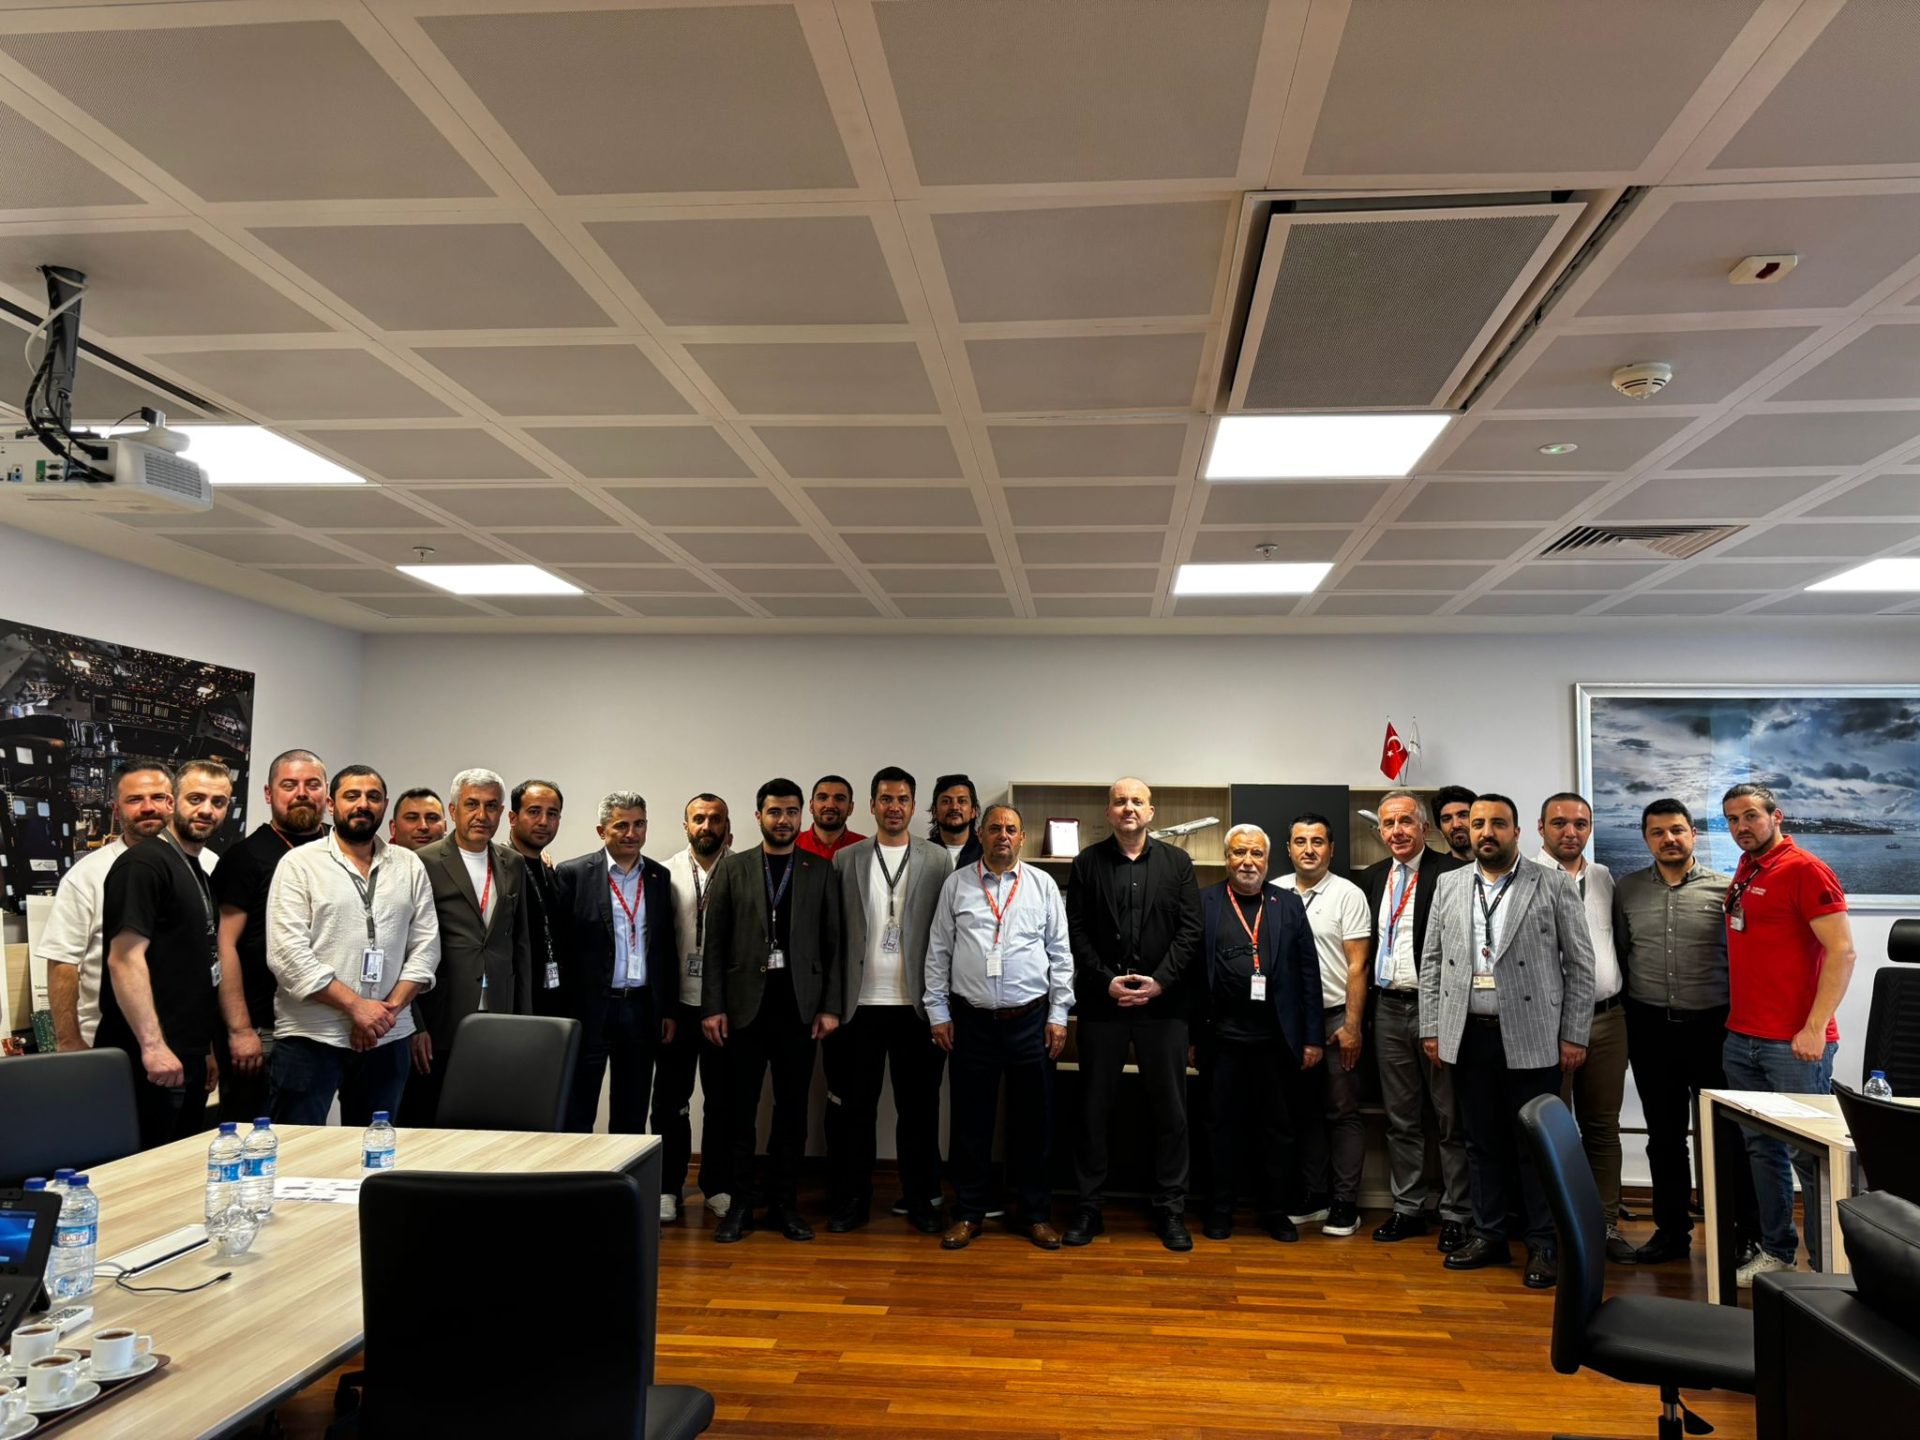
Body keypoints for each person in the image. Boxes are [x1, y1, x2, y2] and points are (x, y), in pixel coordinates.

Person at [1420, 794, 1594, 1290]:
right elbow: (1432, 960)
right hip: (1468, 1034)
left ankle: (1543, 1243)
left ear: (1517, 831)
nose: (1486, 832)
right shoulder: (1450, 884)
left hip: (1534, 1035)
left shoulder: (1553, 883)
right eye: (1478, 823)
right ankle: (1489, 1233)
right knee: (1480, 1142)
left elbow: (1581, 964)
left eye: (1498, 823)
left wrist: (1573, 1033)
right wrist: (1431, 1027)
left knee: (1534, 1145)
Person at [1718, 782, 1856, 1287]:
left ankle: (1826, 1270)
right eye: (1732, 820)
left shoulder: (1805, 869)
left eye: (1751, 816)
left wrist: (1815, 1027)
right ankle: (1777, 1252)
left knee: (1809, 1157)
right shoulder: (1748, 867)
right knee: (1761, 1149)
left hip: (1794, 1044)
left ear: (1776, 816)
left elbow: (1842, 951)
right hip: (1742, 1038)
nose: (1741, 827)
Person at [1064, 777, 1202, 1251]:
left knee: (1171, 1111)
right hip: (1103, 1004)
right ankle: (1088, 1207)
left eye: (1137, 801)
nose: (1129, 808)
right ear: (1108, 812)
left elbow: (1190, 930)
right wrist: (1105, 979)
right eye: (1120, 801)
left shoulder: (1178, 863)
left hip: (1164, 1007)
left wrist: (1160, 980)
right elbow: (1075, 930)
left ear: (1151, 812)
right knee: (1093, 1109)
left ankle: (1171, 1209)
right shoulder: (1086, 863)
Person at [1614, 798, 1754, 1266]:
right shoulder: (1627, 890)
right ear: (1646, 839)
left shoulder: (1725, 889)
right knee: (1664, 1137)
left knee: (1726, 1137)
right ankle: (1671, 1233)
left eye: (1677, 829)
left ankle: (1740, 1235)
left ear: (1693, 834)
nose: (1668, 839)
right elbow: (1622, 953)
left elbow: (1744, 958)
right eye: (1657, 832)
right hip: (1652, 1030)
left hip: (1715, 1029)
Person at [925, 804, 1072, 1251]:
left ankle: (1035, 1214)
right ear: (981, 835)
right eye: (994, 828)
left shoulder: (1042, 885)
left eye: (1011, 829)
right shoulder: (957, 884)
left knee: (1034, 1122)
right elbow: (938, 951)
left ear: (1022, 837)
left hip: (1030, 1020)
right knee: (971, 1122)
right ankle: (968, 1212)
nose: (1002, 835)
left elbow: (1060, 954)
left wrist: (1058, 1015)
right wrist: (938, 1012)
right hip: (971, 1021)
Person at [702, 779, 841, 1243]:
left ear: (802, 816)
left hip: (800, 1011)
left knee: (792, 1111)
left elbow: (833, 944)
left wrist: (829, 1007)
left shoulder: (821, 870)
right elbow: (714, 943)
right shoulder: (733, 867)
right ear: (758, 815)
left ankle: (785, 1203)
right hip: (743, 1010)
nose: (783, 820)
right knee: (739, 1112)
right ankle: (740, 1206)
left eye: (791, 812)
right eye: (775, 812)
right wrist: (712, 1006)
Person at [264, 765, 440, 1126]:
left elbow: (426, 948)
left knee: (376, 1146)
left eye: (373, 797)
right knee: (299, 1146)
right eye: (352, 796)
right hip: (312, 1036)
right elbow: (288, 957)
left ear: (384, 805)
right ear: (331, 804)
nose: (363, 804)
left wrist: (383, 1013)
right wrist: (357, 1007)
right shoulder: (299, 864)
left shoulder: (409, 865)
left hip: (389, 1035)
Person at [825, 767, 953, 1234]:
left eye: (902, 799)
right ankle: (853, 1201)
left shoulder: (938, 860)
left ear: (914, 807)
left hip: (916, 1008)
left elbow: (947, 936)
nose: (894, 807)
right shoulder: (847, 859)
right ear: (872, 806)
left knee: (918, 1112)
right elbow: (834, 937)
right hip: (858, 1006)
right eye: (885, 799)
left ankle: (920, 1201)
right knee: (855, 1112)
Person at [97, 762, 240, 1150]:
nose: (206, 810)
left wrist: (204, 1048)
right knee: (145, 1169)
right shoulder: (143, 864)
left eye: (218, 802)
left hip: (187, 1053)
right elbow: (124, 959)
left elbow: (194, 962)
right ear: (173, 802)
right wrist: (153, 1046)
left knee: (181, 1165)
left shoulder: (196, 869)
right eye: (196, 798)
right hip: (149, 1057)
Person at [1195, 825, 1320, 1243]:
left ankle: (1275, 1212)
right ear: (1226, 858)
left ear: (1268, 860)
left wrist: (1312, 1038)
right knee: (1219, 1128)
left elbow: (1308, 973)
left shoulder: (1288, 904)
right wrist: (1192, 1038)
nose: (1247, 861)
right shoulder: (1204, 902)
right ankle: (1219, 1210)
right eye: (1239, 853)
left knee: (1278, 1129)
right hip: (1221, 1041)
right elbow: (1192, 977)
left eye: (1256, 854)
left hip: (1276, 1042)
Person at [1359, 790, 1469, 1249]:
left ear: (1424, 827)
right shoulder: (1371, 878)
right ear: (1380, 831)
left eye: (1406, 821)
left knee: (1449, 1117)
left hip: (1436, 1006)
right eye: (1388, 823)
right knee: (1401, 1118)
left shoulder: (1452, 873)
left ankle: (1457, 1212)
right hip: (1387, 1007)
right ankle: (1408, 1208)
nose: (1397, 831)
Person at [1531, 791, 1632, 1263]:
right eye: (1559, 823)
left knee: (1602, 1127)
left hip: (1606, 1019)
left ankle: (1604, 1225)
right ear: (1540, 828)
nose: (1570, 832)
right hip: (1546, 1025)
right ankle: (1552, 1230)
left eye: (1580, 823)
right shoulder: (1524, 878)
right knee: (1550, 1130)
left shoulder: (1605, 878)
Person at [403, 768, 534, 1125]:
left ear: (502, 812)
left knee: (491, 1117)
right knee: (432, 1118)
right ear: (453, 810)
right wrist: (415, 1024)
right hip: (442, 1014)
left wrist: (525, 1020)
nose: (481, 815)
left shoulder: (513, 863)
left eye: (491, 806)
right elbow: (407, 948)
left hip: (499, 1014)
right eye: (472, 804)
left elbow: (521, 945)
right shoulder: (422, 862)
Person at [210, 748, 329, 1124]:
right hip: (264, 1031)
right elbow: (224, 946)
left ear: (327, 793)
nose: (302, 793)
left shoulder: (339, 851)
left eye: (312, 784)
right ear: (268, 793)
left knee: (309, 1136)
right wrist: (240, 1029)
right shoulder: (245, 857)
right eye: (289, 785)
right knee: (255, 1134)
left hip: (325, 1025)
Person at [552, 792, 676, 1136]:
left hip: (640, 1009)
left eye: (639, 824)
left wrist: (666, 1009)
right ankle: (577, 1171)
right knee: (578, 1109)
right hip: (591, 1008)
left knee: (632, 1113)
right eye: (621, 825)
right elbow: (560, 947)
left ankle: (625, 1172)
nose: (631, 833)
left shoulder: (658, 876)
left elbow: (665, 948)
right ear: (601, 830)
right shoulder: (574, 874)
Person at [1275, 813, 1374, 1238]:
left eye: (1318, 842)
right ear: (1289, 849)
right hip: (1289, 1021)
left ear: (1331, 849)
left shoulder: (1347, 894)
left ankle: (1344, 1203)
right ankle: (1314, 1196)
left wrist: (1352, 1025)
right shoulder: (1274, 890)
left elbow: (1358, 966)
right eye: (1300, 841)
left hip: (1334, 1017)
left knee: (1342, 1110)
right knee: (1303, 1111)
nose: (1309, 849)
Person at [42, 763, 184, 1051]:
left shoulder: (203, 866)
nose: (148, 807)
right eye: (135, 799)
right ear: (117, 810)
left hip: (185, 1039)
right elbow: (62, 962)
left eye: (158, 797)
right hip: (109, 1042)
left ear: (172, 803)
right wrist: (68, 1041)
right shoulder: (86, 876)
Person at [656, 792, 734, 1222]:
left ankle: (717, 1184)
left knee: (722, 1101)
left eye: (715, 819)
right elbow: (655, 946)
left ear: (727, 826)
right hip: (678, 1007)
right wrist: (664, 1008)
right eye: (699, 818)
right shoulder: (663, 872)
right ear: (686, 825)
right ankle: (668, 1186)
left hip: (724, 1007)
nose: (707, 826)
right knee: (671, 1101)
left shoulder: (743, 870)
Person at [508, 779, 566, 1017]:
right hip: (514, 1000)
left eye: (552, 814)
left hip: (552, 997)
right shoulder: (500, 869)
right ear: (513, 818)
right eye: (534, 812)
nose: (543, 821)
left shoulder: (550, 870)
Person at [796, 774, 864, 859]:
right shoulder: (791, 846)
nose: (830, 805)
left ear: (850, 808)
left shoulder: (868, 849)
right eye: (822, 798)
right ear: (811, 806)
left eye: (839, 799)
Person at [929, 773, 983, 867]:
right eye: (946, 801)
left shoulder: (987, 852)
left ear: (973, 811)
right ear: (934, 811)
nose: (954, 807)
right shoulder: (922, 852)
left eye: (962, 801)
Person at [1433, 786, 1477, 864]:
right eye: (1447, 819)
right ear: (1440, 829)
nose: (1456, 825)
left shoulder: (1498, 864)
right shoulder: (1436, 870)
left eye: (1463, 815)